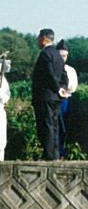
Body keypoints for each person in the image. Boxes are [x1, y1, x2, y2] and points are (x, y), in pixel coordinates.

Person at [31, 28, 67, 161]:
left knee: (46, 126)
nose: (37, 41)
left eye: (38, 38)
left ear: (43, 38)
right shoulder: (57, 55)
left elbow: (48, 74)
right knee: (54, 126)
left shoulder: (45, 54)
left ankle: (49, 155)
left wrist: (57, 88)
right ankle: (55, 153)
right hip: (56, 98)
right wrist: (62, 88)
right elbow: (64, 75)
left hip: (46, 96)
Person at [57, 40, 78, 158]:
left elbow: (73, 86)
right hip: (54, 99)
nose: (62, 58)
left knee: (64, 126)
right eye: (60, 56)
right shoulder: (53, 68)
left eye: (64, 56)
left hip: (65, 100)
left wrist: (65, 88)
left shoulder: (70, 70)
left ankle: (62, 150)